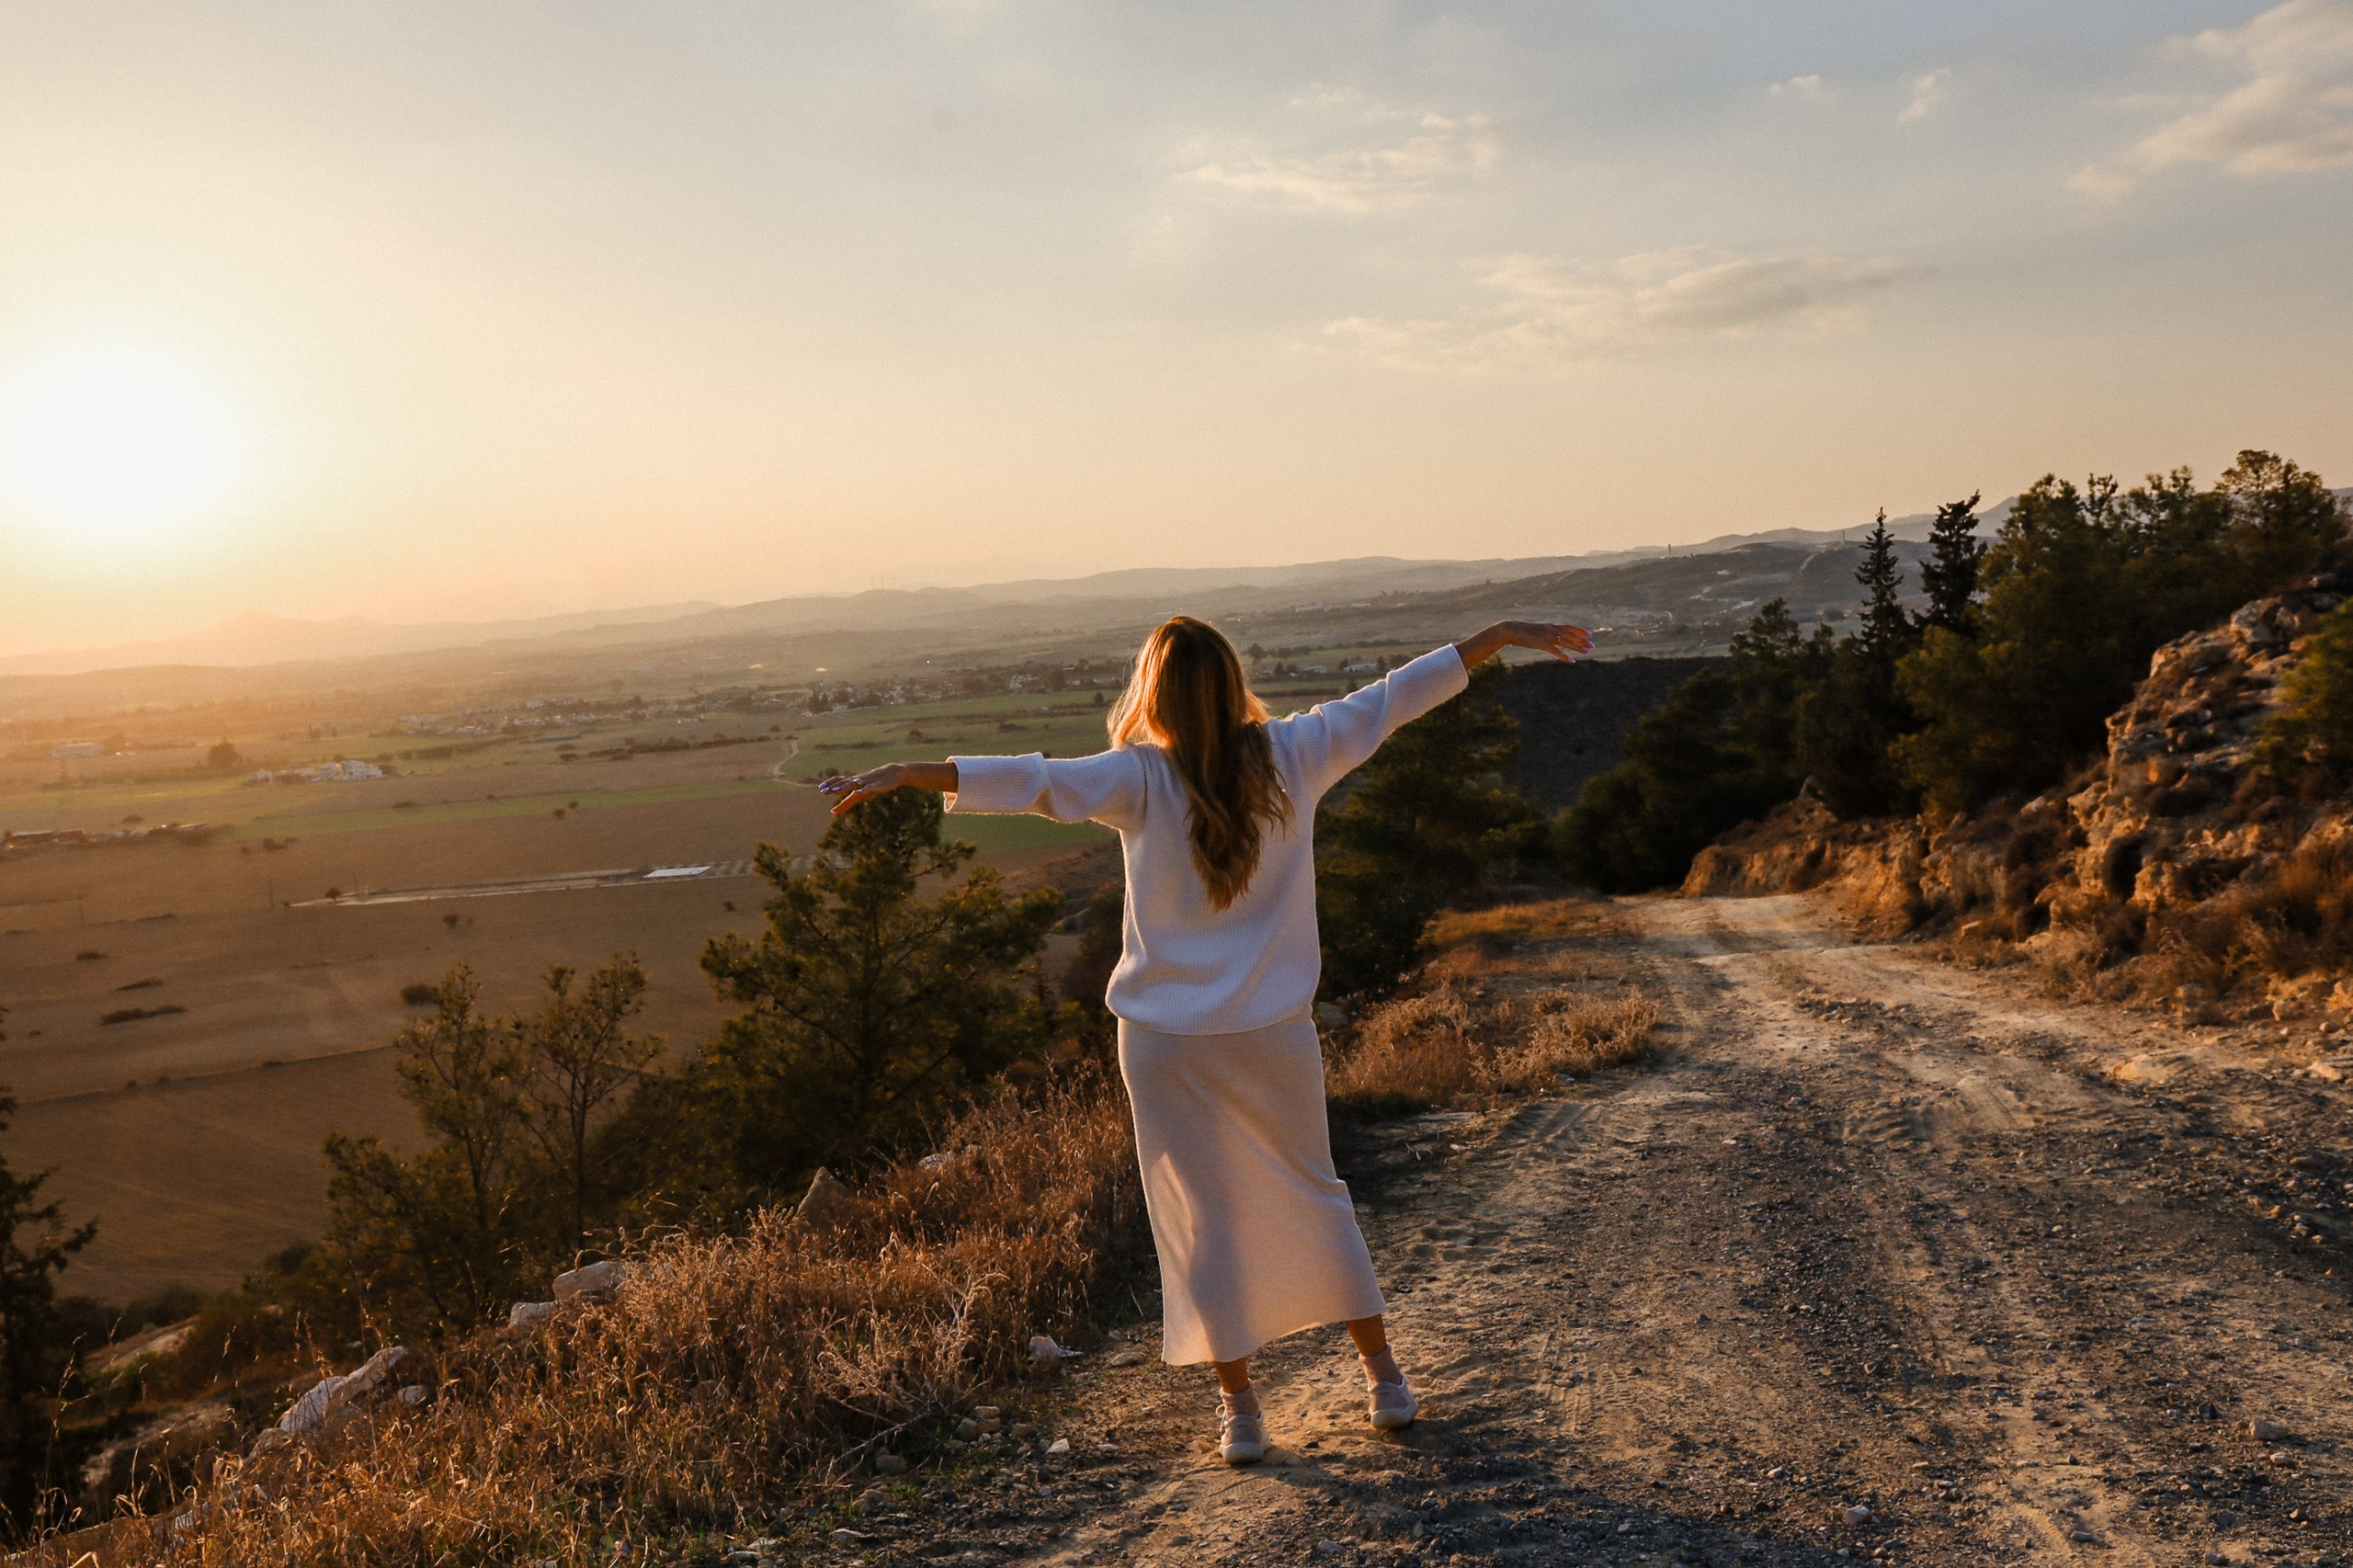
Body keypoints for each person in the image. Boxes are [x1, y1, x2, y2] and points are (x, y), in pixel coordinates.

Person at [819, 615, 1591, 1464]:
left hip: (1163, 1041)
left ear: (1153, 693)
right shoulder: (1298, 751)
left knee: (1201, 1218)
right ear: (1231, 680)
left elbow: (1034, 781)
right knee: (1315, 1191)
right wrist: (1504, 633)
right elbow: (1396, 697)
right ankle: (1386, 1384)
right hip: (1271, 1032)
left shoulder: (1138, 779)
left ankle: (1245, 1416)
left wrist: (904, 775)